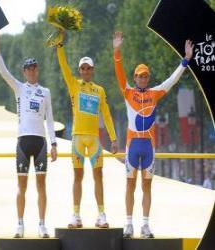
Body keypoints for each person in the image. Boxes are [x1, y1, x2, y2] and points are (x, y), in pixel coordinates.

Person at [112, 31, 194, 238]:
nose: (142, 78)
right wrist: (117, 51)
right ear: (135, 78)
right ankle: (129, 224)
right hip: (132, 145)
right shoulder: (128, 92)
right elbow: (119, 75)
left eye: (145, 75)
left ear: (148, 77)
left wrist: (185, 60)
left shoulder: (154, 92)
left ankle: (145, 225)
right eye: (139, 76)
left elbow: (171, 81)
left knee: (147, 186)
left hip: (149, 146)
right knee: (130, 185)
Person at [0, 28, 58, 238]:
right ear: (24, 72)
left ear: (37, 71)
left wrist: (54, 144)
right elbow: (3, 72)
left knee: (41, 185)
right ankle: (19, 225)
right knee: (22, 185)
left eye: (34, 69)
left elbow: (50, 119)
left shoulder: (45, 91)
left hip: (40, 143)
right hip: (23, 142)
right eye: (28, 69)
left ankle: (42, 225)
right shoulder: (19, 87)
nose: (31, 72)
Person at [55, 34, 119, 229]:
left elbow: (106, 116)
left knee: (98, 176)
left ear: (92, 70)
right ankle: (75, 215)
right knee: (77, 177)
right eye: (82, 68)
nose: (85, 71)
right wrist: (60, 45)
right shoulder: (73, 85)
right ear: (79, 71)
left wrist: (114, 139)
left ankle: (101, 215)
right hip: (77, 138)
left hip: (94, 140)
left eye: (88, 68)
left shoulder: (99, 90)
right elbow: (63, 65)